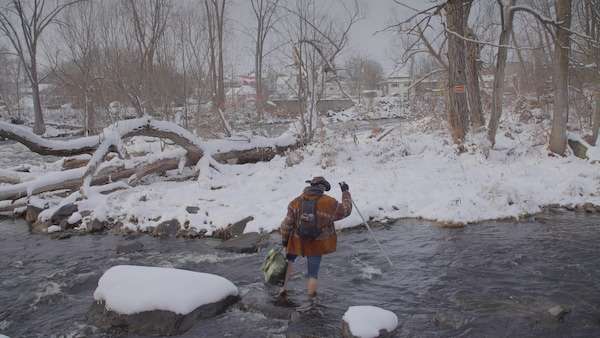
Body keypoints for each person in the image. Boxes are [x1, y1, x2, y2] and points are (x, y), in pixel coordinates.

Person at [279, 176, 352, 306]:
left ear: (310, 186)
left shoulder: (295, 202)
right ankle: (311, 301)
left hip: (296, 241)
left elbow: (286, 225)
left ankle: (283, 291)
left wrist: (285, 242)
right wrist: (345, 192)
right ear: (323, 188)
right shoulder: (329, 203)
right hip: (316, 244)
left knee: (289, 262)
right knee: (313, 274)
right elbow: (346, 210)